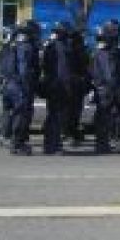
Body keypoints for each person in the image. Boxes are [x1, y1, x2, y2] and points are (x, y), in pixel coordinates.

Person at [4, 25, 39, 155]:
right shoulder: (26, 48)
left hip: (11, 85)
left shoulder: (13, 46)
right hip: (20, 86)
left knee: (16, 114)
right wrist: (27, 86)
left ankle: (16, 143)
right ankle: (17, 145)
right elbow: (24, 69)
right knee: (21, 116)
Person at [91, 23, 120, 154]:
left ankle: (102, 143)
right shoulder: (109, 53)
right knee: (106, 118)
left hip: (101, 89)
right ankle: (103, 144)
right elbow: (111, 74)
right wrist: (117, 91)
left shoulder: (99, 52)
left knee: (102, 117)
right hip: (107, 90)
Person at [40, 22, 73, 155]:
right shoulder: (61, 48)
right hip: (58, 86)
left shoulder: (50, 46)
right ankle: (54, 146)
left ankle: (49, 145)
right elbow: (63, 70)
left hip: (51, 85)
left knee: (52, 116)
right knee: (56, 117)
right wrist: (67, 86)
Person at [0, 27, 15, 148]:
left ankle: (3, 135)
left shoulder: (2, 50)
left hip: (3, 84)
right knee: (10, 112)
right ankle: (6, 136)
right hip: (10, 84)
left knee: (6, 111)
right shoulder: (10, 50)